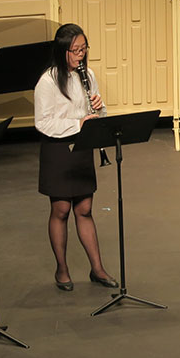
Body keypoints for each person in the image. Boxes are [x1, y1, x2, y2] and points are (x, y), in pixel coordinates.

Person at [34, 23, 117, 291]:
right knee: (61, 210)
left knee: (84, 209)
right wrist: (78, 123)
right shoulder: (47, 82)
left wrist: (99, 109)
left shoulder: (88, 75)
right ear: (63, 51)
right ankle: (62, 269)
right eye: (76, 50)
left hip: (81, 147)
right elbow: (43, 123)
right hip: (57, 148)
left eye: (84, 49)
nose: (81, 55)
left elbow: (97, 114)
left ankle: (97, 269)